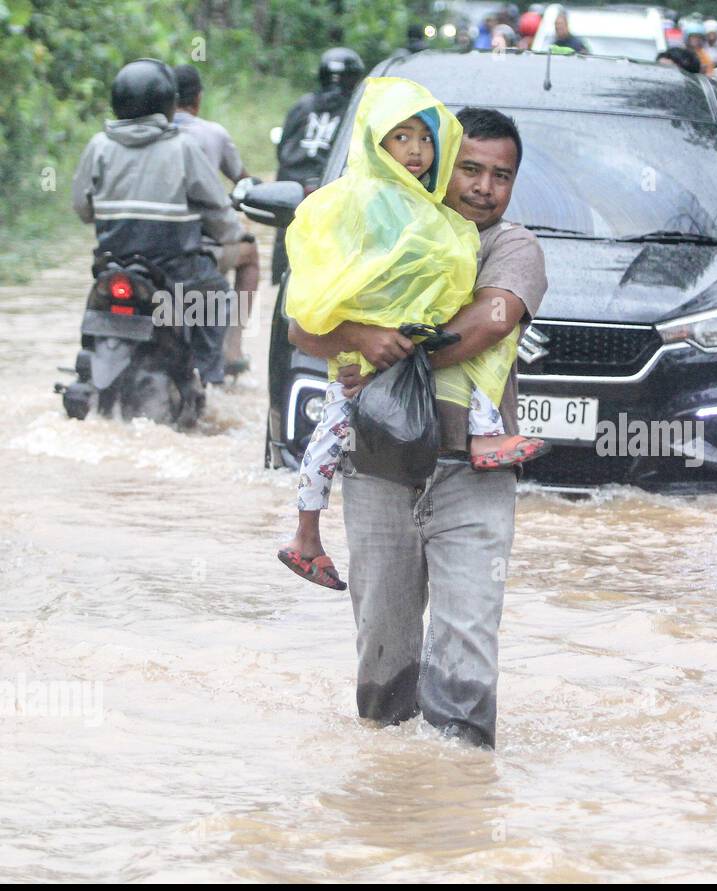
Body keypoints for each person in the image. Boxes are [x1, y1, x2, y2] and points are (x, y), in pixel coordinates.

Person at [288, 107, 547, 749]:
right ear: (436, 163)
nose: (485, 187)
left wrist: (387, 362)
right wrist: (362, 338)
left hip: (471, 473)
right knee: (383, 649)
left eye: (502, 175)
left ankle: (459, 787)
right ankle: (389, 795)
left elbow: (490, 319)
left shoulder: (511, 246)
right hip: (377, 469)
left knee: (467, 641)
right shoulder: (381, 235)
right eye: (471, 169)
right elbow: (301, 328)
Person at [71, 59, 243, 386]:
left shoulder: (98, 146)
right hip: (174, 273)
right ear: (167, 103)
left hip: (112, 269)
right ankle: (210, 378)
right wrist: (232, 234)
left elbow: (82, 207)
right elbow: (219, 211)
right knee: (218, 293)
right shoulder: (183, 147)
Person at [172, 63, 259, 377]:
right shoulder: (211, 134)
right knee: (250, 254)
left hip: (143, 246)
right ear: (197, 99)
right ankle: (232, 347)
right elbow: (240, 181)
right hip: (198, 248)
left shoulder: (145, 139)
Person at [271, 47, 365, 284]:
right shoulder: (357, 110)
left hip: (293, 185)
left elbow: (282, 147)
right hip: (331, 184)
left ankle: (280, 281)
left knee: (285, 234)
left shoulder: (302, 105)